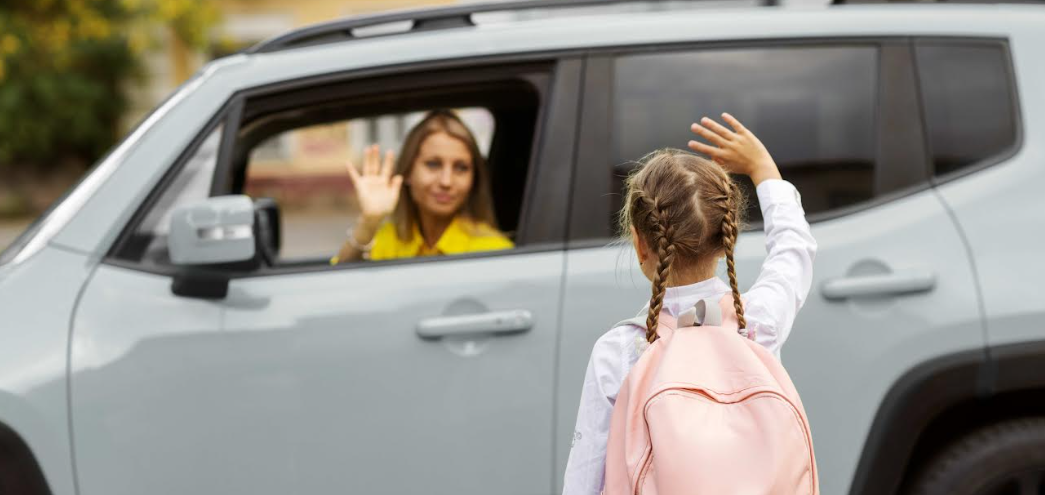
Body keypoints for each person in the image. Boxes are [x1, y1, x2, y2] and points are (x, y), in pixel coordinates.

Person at [561, 113, 817, 494]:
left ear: (639, 242)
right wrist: (764, 170)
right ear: (724, 240)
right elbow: (794, 251)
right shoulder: (755, 325)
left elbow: (585, 478)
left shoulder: (620, 351)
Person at [331, 110, 512, 264]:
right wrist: (369, 221)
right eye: (433, 164)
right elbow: (335, 286)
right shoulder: (386, 239)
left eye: (461, 168)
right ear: (408, 171)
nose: (446, 181)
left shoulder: (492, 249)